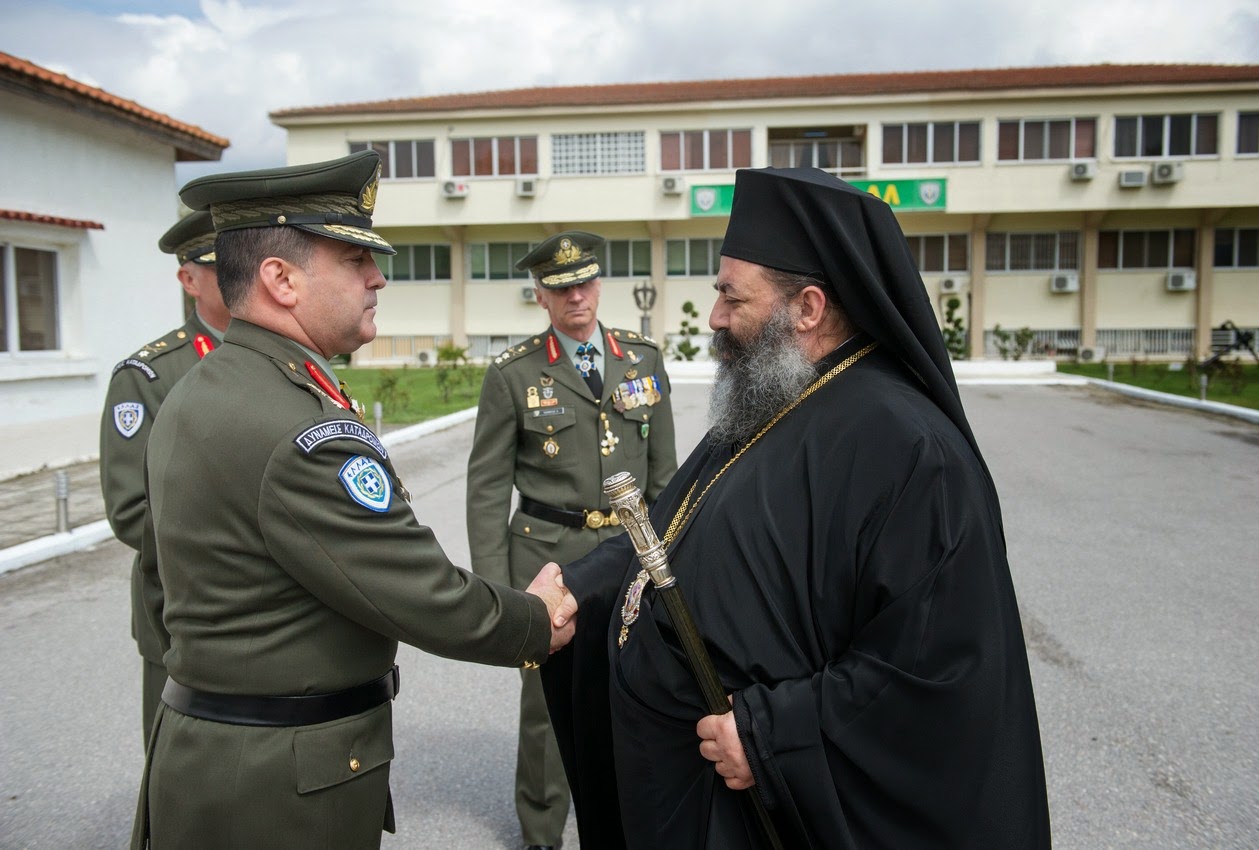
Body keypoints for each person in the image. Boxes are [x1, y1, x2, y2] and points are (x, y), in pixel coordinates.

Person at [543, 167, 1051, 848]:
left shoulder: (910, 450)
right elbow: (675, 520)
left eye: (731, 296)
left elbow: (937, 672)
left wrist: (770, 731)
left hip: (756, 812)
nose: (715, 317)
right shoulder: (775, 396)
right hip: (681, 789)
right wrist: (583, 584)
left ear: (807, 308)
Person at [129, 151, 574, 850]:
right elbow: (417, 588)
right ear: (280, 279)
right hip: (280, 788)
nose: (377, 277)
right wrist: (531, 622)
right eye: (351, 260)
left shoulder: (207, 388)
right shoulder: (295, 424)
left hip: (220, 756)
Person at [466, 230, 678, 850]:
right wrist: (499, 594)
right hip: (547, 556)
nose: (575, 297)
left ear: (598, 285)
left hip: (631, 555)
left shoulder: (643, 359)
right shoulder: (514, 373)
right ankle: (541, 833)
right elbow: (486, 488)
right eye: (560, 288)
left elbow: (665, 474)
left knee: (637, 690)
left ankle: (624, 822)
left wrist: (673, 560)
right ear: (541, 296)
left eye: (584, 283)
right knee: (545, 708)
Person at [99, 209, 231, 746]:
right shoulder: (152, 375)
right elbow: (133, 510)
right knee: (182, 775)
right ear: (188, 279)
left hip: (279, 624)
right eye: (224, 267)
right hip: (181, 611)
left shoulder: (295, 358)